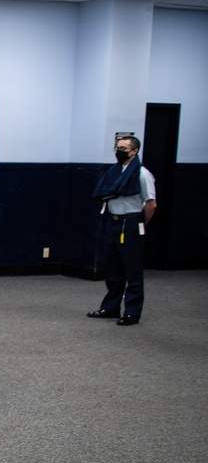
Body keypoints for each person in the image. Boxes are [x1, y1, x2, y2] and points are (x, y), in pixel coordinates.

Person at [87, 135, 157, 326]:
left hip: (131, 222)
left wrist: (140, 224)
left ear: (134, 151)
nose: (119, 151)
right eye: (118, 147)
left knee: (132, 270)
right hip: (113, 221)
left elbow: (151, 204)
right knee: (113, 268)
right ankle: (111, 307)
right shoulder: (114, 172)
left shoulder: (142, 174)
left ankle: (132, 312)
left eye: (124, 148)